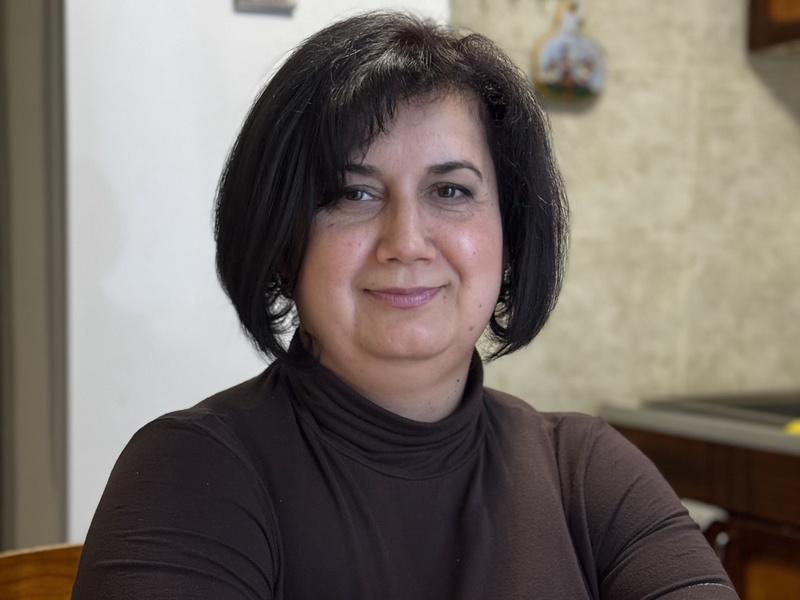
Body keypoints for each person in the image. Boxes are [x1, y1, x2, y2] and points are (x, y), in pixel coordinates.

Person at [72, 11, 739, 600]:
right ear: (282, 241)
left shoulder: (590, 472)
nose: (407, 242)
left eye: (450, 191)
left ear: (509, 238)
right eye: (352, 195)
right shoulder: (191, 472)